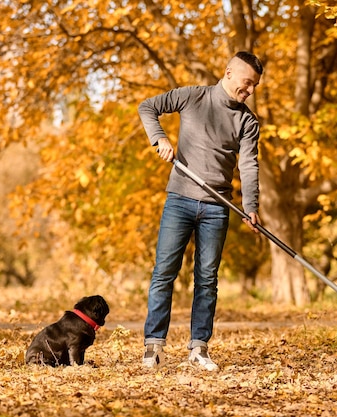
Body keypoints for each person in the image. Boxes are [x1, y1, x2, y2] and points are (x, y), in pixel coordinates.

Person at [137, 51, 264, 371]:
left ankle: (199, 348)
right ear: (229, 73)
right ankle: (154, 346)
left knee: (207, 279)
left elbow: (248, 165)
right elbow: (147, 107)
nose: (249, 90)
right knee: (164, 272)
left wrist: (251, 207)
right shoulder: (194, 96)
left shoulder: (247, 121)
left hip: (217, 207)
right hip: (179, 199)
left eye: (254, 86)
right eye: (247, 83)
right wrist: (159, 138)